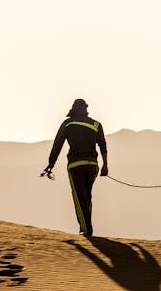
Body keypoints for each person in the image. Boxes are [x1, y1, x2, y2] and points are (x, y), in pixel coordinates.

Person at [43, 98, 108, 236]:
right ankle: (86, 227)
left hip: (75, 165)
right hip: (92, 165)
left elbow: (57, 144)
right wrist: (105, 166)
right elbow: (103, 145)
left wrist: (51, 164)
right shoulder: (96, 124)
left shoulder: (68, 123)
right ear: (86, 109)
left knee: (79, 197)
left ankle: (86, 230)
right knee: (87, 196)